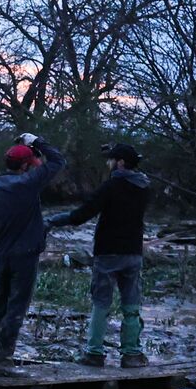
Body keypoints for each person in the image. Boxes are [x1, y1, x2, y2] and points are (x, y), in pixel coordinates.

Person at [48, 142, 151, 368]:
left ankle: (94, 352)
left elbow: (81, 215)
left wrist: (54, 221)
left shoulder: (111, 186)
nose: (108, 163)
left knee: (101, 303)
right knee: (131, 304)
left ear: (120, 162)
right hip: (133, 252)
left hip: (108, 252)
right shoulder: (144, 186)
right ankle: (132, 353)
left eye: (111, 159)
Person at [0, 133, 66, 377]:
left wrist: (0, 238)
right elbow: (57, 161)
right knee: (16, 307)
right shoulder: (28, 183)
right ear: (25, 165)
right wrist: (38, 141)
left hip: (2, 253)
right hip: (25, 254)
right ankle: (3, 360)